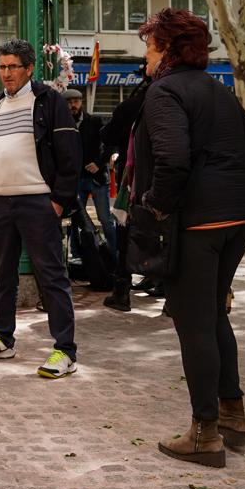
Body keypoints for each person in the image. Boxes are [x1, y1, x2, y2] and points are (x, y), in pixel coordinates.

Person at [132, 8, 245, 468]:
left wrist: (154, 207)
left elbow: (172, 161)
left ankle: (204, 434)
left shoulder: (163, 92)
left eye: (148, 48)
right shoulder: (217, 90)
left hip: (197, 223)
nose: (145, 58)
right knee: (212, 316)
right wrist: (230, 190)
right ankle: (232, 416)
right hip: (238, 219)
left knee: (194, 324)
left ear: (166, 50)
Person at [0, 39, 81, 378]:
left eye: (13, 67)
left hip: (38, 201)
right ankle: (2, 338)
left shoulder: (49, 102)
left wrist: (58, 200)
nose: (6, 74)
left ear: (29, 68)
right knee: (3, 275)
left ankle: (65, 351)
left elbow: (69, 154)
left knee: (51, 276)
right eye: (2, 67)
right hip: (0, 202)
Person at [98, 69, 152, 311]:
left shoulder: (133, 105)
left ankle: (122, 291)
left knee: (126, 231)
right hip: (166, 180)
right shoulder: (179, 101)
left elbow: (108, 134)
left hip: (134, 181)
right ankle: (165, 289)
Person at [63, 88, 116, 254]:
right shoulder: (62, 124)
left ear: (81, 102)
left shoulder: (95, 121)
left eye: (76, 101)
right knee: (75, 219)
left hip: (96, 178)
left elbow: (111, 144)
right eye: (69, 102)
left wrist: (99, 164)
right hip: (75, 179)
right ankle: (76, 256)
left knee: (105, 219)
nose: (73, 105)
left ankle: (114, 255)